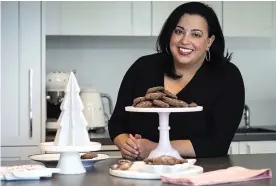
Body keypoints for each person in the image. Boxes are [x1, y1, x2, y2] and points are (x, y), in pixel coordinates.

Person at [108, 2, 245, 160]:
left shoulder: (227, 77)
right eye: (179, 31)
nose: (185, 41)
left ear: (209, 41)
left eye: (196, 34)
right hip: (141, 172)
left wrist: (155, 149)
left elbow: (217, 143)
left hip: (201, 174)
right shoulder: (143, 68)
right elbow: (116, 124)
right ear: (170, 34)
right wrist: (127, 145)